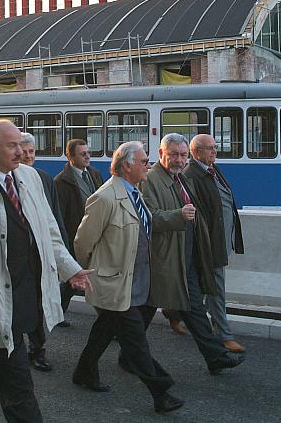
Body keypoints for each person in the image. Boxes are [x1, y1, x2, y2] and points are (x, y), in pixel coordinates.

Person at [0, 120, 93, 423]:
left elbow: (49, 232)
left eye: (21, 144)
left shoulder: (30, 178)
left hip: (28, 294)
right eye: (12, 145)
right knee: (18, 387)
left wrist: (69, 269)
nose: (21, 151)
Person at [73, 141, 184, 414]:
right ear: (126, 166)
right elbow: (83, 242)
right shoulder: (105, 197)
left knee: (105, 329)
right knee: (135, 340)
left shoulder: (135, 193)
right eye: (144, 161)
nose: (149, 165)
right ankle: (161, 391)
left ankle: (84, 372)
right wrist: (94, 272)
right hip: (114, 282)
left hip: (137, 281)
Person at [139, 133, 245, 374]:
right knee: (148, 307)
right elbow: (148, 217)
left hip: (186, 253)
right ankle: (126, 352)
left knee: (193, 306)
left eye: (183, 155)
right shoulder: (150, 180)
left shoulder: (180, 177)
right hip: (165, 257)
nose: (178, 160)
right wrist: (178, 216)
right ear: (161, 154)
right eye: (173, 155)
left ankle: (215, 356)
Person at [184, 134, 246, 353]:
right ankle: (224, 334)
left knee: (201, 289)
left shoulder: (212, 168)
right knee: (216, 288)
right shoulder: (191, 174)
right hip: (209, 243)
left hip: (221, 239)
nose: (215, 151)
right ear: (197, 151)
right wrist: (206, 244)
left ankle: (175, 312)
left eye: (215, 147)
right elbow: (198, 214)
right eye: (210, 148)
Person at [20, 132, 69, 371]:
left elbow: (54, 216)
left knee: (39, 301)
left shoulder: (43, 178)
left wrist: (63, 248)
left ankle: (37, 348)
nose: (28, 156)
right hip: (20, 254)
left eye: (32, 151)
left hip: (40, 251)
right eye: (24, 151)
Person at [54, 138, 103, 318]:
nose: (87, 157)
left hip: (95, 234)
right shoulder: (62, 181)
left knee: (75, 278)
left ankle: (57, 311)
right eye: (83, 154)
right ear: (70, 157)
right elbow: (60, 214)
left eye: (88, 153)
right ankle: (108, 320)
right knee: (81, 276)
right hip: (75, 236)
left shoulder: (94, 174)